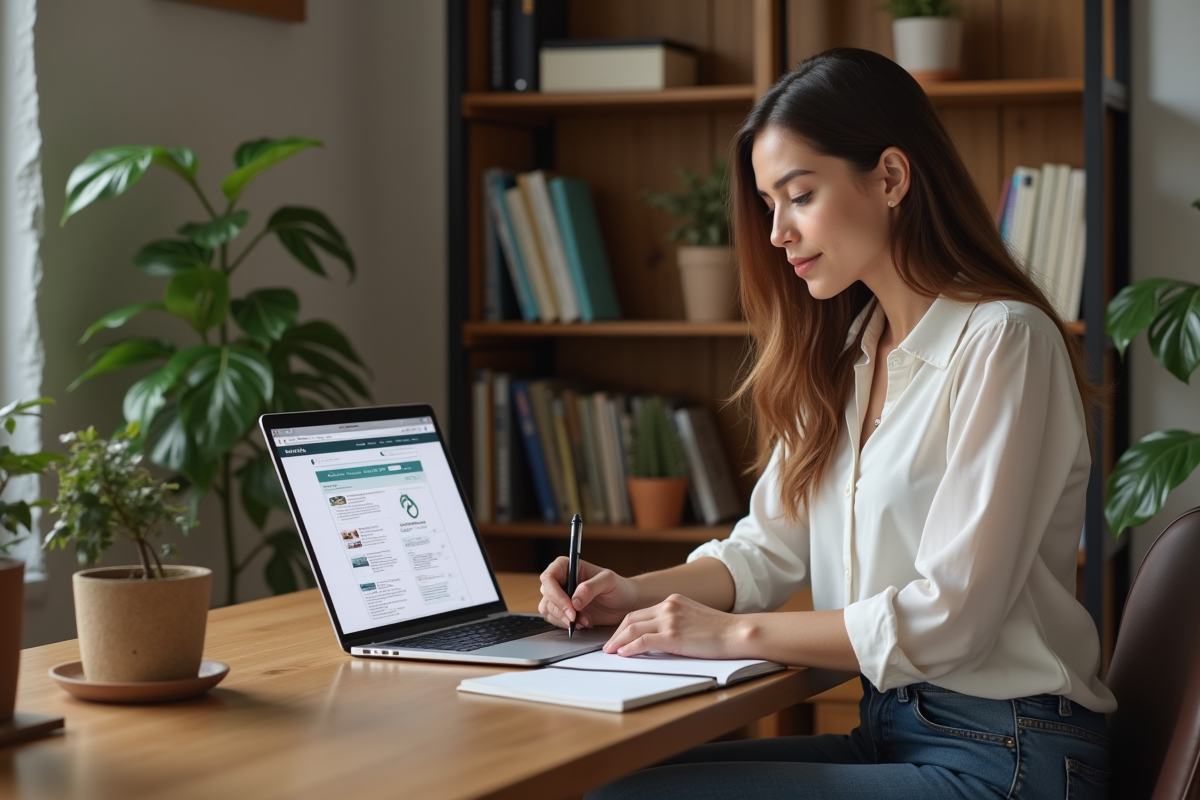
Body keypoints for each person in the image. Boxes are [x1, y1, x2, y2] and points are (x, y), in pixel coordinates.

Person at [538, 48, 1116, 799]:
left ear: (891, 178)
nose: (777, 232)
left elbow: (952, 618)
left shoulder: (1004, 341)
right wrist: (633, 594)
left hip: (1008, 752)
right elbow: (765, 553)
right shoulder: (849, 353)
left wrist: (729, 634)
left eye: (798, 195)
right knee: (598, 783)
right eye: (768, 204)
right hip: (896, 730)